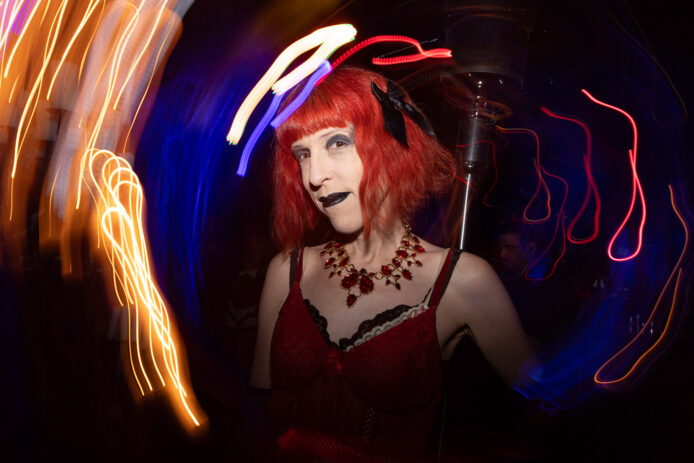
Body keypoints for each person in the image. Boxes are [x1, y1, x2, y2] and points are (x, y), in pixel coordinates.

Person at [249, 67, 533, 462]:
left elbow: (548, 407)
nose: (314, 176)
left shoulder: (460, 281)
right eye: (303, 154)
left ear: (390, 144)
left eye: (337, 143)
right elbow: (258, 413)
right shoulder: (288, 271)